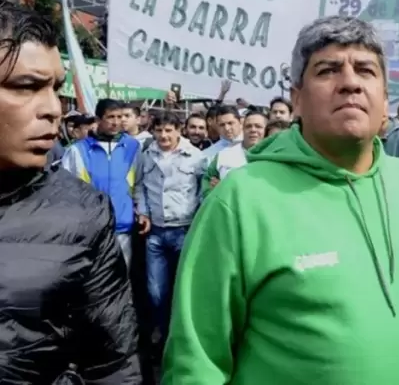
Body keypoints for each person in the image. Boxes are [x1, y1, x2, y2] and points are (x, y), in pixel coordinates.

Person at [163, 15, 399, 384]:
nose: (350, 83)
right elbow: (196, 364)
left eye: (366, 70)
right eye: (328, 70)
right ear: (296, 99)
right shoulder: (241, 200)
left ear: (385, 97)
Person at [0, 0, 142, 383]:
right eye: (26, 86)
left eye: (56, 89)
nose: (53, 109)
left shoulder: (84, 215)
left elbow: (113, 367)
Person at [135, 112, 207, 350]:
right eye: (159, 130)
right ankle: (163, 332)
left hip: (185, 230)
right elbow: (140, 188)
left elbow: (203, 189)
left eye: (169, 130)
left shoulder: (196, 157)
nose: (163, 135)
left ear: (179, 131)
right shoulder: (146, 156)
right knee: (156, 292)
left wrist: (199, 218)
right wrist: (143, 213)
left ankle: (183, 337)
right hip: (155, 232)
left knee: (184, 289)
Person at [62, 98, 147, 266]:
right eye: (111, 117)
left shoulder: (133, 147)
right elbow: (64, 188)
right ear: (99, 119)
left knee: (121, 280)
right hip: (89, 229)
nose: (117, 122)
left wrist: (143, 212)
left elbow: (139, 184)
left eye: (120, 117)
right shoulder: (77, 151)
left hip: (122, 228)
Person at [201, 110, 268, 197]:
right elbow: (208, 183)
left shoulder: (272, 156)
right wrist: (217, 192)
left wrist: (226, 187)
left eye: (258, 126)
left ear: (266, 130)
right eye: (248, 126)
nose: (253, 130)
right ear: (242, 128)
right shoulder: (223, 155)